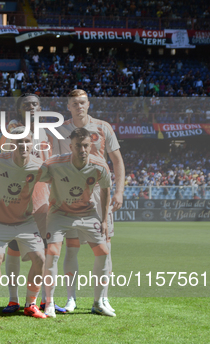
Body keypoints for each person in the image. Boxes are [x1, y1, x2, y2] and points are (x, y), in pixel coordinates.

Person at [49, 89, 125, 314]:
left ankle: (101, 300)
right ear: (68, 106)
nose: (79, 106)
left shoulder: (103, 127)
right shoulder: (60, 129)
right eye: (74, 103)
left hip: (98, 194)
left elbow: (117, 162)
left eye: (82, 102)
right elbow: (53, 159)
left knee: (104, 249)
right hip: (70, 196)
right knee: (71, 250)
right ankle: (71, 299)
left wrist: (118, 192)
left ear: (88, 104)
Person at [0, 94, 65, 314]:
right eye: (26, 104)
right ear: (19, 109)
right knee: (14, 248)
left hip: (42, 199)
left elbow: (52, 163)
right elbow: (2, 159)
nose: (31, 107)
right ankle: (13, 300)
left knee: (46, 252)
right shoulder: (12, 129)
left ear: (40, 108)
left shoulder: (46, 132)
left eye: (35, 104)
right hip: (17, 198)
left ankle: (44, 300)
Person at [38, 127, 114, 317]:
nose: (82, 150)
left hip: (87, 213)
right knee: (53, 252)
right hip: (59, 213)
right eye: (78, 146)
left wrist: (104, 220)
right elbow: (38, 176)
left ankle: (98, 302)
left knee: (103, 252)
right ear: (71, 146)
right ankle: (49, 303)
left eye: (86, 145)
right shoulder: (55, 163)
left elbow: (105, 191)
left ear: (92, 146)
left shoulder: (100, 166)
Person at [0, 128, 47, 321]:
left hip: (26, 221)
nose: (23, 145)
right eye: (19, 142)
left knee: (40, 258)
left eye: (27, 141)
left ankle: (30, 305)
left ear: (31, 144)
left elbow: (57, 178)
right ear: (11, 144)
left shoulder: (38, 166)